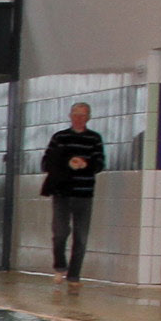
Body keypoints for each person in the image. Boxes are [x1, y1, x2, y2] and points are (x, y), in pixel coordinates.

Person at [39, 101, 106, 286]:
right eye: (76, 114)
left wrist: (86, 164)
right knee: (60, 232)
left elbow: (100, 164)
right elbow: (46, 163)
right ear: (70, 116)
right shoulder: (59, 138)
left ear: (88, 117)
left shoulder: (94, 139)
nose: (79, 118)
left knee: (81, 236)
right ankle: (60, 266)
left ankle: (74, 275)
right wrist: (67, 164)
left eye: (83, 115)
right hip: (62, 192)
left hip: (84, 194)